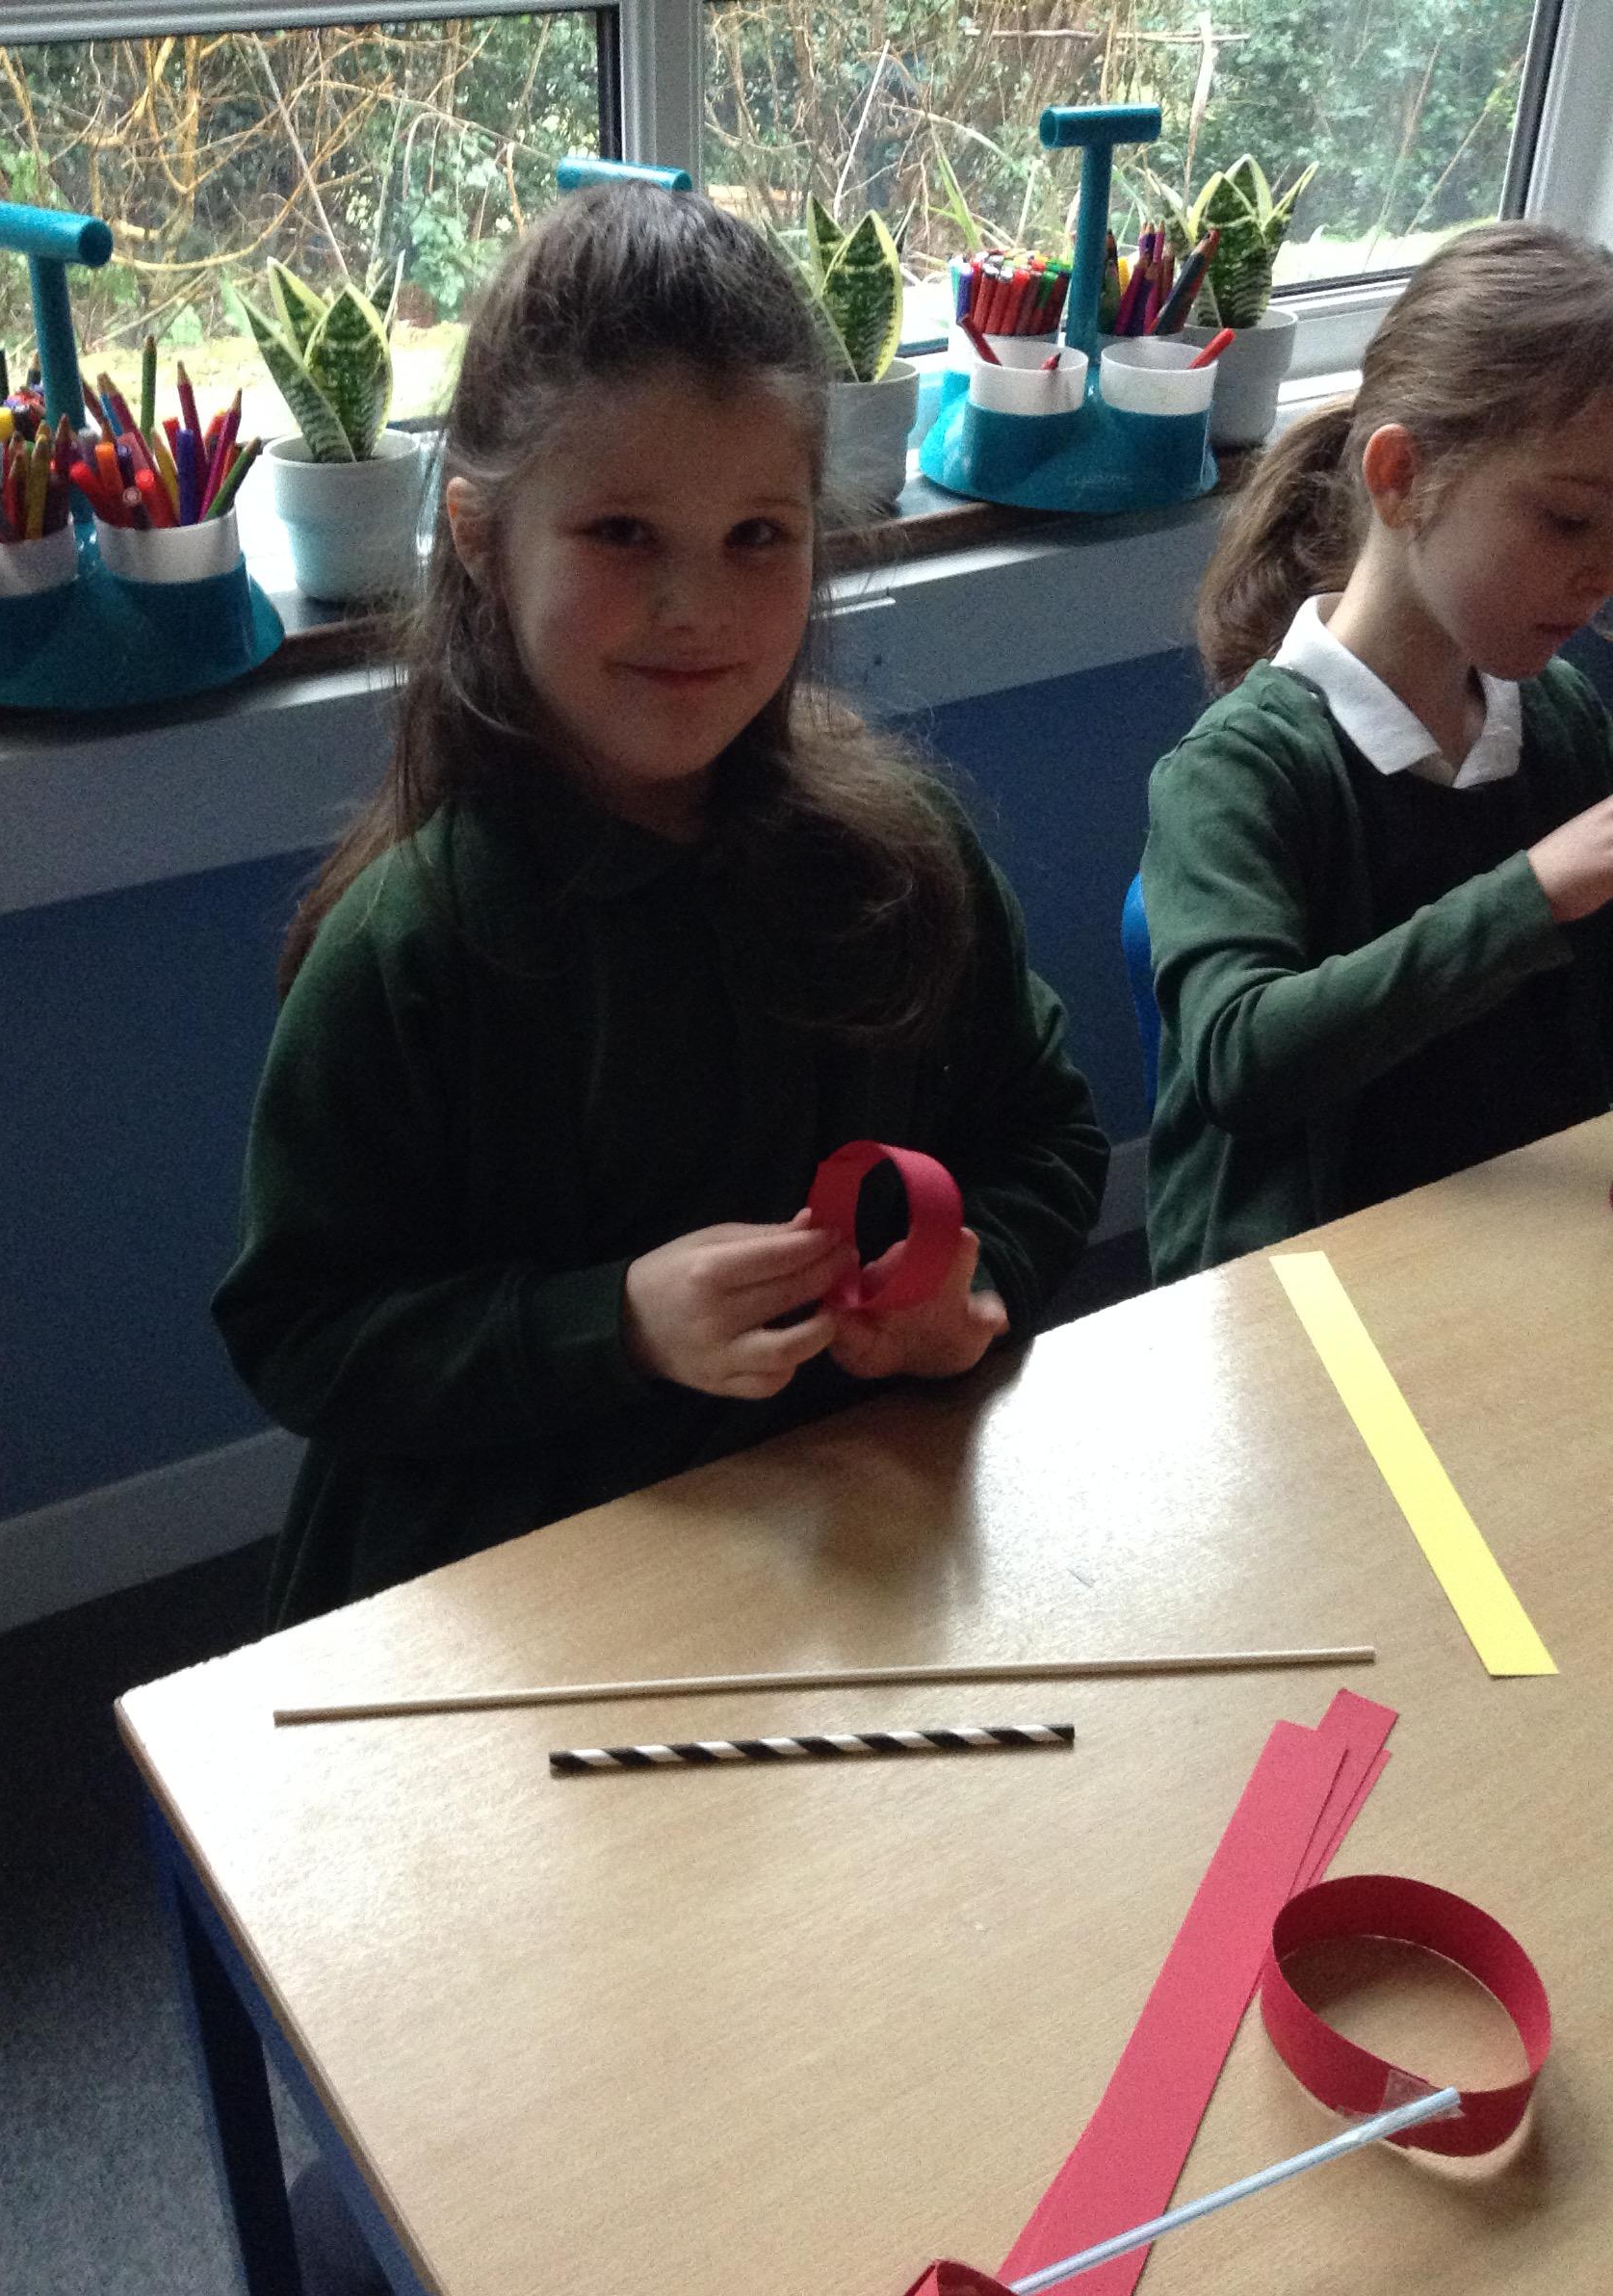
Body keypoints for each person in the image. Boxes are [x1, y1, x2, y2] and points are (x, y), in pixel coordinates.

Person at [214, 180, 1108, 1647]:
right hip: (512, 1594)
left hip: (844, 1548)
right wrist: (614, 1322)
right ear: (483, 540)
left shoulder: (898, 861)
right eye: (623, 532)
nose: (697, 606)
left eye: (758, 534)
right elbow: (304, 1332)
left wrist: (974, 1285)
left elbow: (1047, 1135)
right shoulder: (412, 951)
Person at [1143, 221, 1613, 1283]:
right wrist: (1535, 892)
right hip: (1304, 1292)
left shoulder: (1563, 722)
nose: (1602, 576)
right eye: (1567, 520)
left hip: (1522, 1251)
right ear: (1399, 478)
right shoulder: (1240, 773)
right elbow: (1242, 1061)